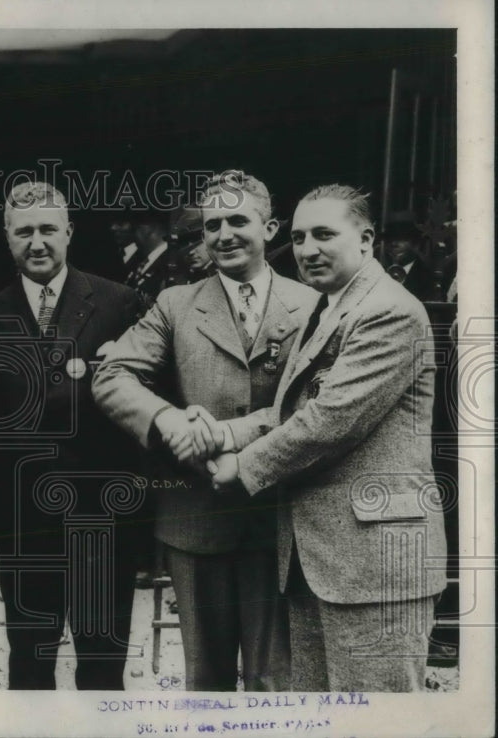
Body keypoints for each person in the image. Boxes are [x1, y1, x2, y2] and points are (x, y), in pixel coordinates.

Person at [207, 184, 447, 692]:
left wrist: (241, 466)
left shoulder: (389, 311)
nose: (307, 249)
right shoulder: (329, 308)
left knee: (381, 723)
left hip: (377, 564)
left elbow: (330, 421)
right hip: (322, 559)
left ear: (366, 239)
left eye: (323, 234)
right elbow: (293, 410)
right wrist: (221, 432)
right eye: (297, 237)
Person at [92, 170, 316, 691]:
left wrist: (226, 435)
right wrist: (167, 419)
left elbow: (316, 407)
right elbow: (113, 374)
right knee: (204, 683)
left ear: (271, 228)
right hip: (195, 517)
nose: (224, 234)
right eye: (211, 224)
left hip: (281, 518)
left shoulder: (311, 305)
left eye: (239, 220)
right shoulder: (176, 303)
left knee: (275, 682)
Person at [0, 181, 145, 689]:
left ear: (69, 233)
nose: (37, 242)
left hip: (104, 511)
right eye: (24, 232)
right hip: (24, 516)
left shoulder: (120, 303)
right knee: (29, 655)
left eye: (49, 229)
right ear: (8, 239)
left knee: (102, 658)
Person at [124, 211, 173, 304]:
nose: (132, 236)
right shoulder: (136, 262)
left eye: (135, 229)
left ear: (147, 228)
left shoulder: (171, 261)